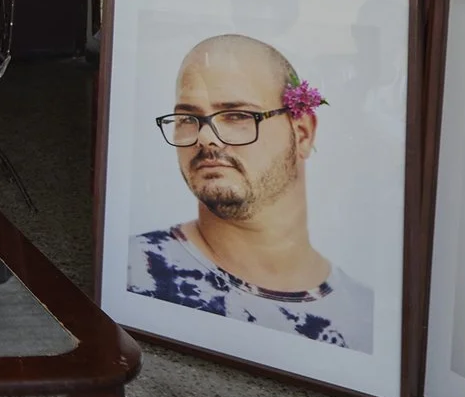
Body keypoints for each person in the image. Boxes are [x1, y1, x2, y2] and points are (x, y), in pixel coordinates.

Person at [128, 34, 371, 348]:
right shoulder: (132, 271)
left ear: (302, 133)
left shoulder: (366, 319)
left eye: (237, 116)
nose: (205, 138)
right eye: (188, 118)